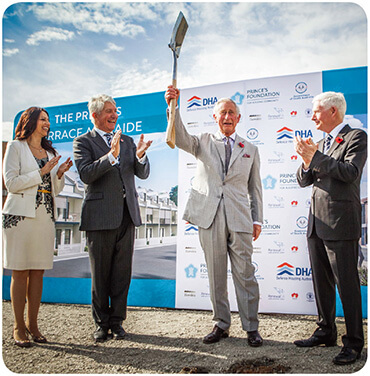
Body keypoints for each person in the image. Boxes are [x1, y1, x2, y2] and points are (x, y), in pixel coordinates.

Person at [165, 86, 263, 346]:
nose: (227, 117)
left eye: (232, 112)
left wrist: (257, 219)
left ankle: (251, 327)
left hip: (240, 219)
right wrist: (173, 108)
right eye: (223, 113)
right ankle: (221, 324)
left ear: (238, 118)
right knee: (216, 275)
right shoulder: (202, 142)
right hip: (210, 218)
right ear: (215, 117)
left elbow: (255, 188)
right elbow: (180, 136)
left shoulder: (250, 149)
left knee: (245, 274)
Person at [293, 92, 367, 365]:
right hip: (316, 223)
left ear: (332, 111)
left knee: (347, 284)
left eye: (316, 111)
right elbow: (304, 180)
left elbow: (349, 173)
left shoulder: (356, 137)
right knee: (321, 283)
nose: (312, 117)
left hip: (340, 223)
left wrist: (315, 156)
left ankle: (354, 343)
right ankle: (326, 331)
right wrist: (306, 159)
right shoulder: (321, 143)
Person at [73, 94, 152, 342]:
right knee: (101, 275)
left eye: (115, 111)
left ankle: (117, 322)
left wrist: (139, 156)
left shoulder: (128, 141)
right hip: (99, 218)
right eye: (108, 111)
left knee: (121, 274)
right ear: (95, 115)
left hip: (127, 217)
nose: (114, 115)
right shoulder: (83, 142)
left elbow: (142, 174)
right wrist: (111, 156)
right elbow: (86, 174)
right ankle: (101, 324)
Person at [2, 107, 73, 347]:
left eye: (48, 120)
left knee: (38, 272)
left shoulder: (49, 151)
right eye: (43, 119)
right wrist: (41, 171)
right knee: (20, 271)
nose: (47, 123)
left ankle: (33, 325)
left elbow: (54, 189)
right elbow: (11, 184)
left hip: (44, 216)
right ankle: (18, 327)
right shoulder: (15, 147)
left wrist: (59, 174)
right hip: (20, 216)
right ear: (30, 122)